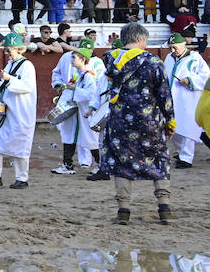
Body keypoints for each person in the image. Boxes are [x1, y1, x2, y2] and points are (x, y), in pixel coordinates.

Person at [101, 24, 176, 225]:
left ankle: (123, 211)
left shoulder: (110, 59)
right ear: (142, 39)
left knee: (120, 161)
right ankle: (164, 208)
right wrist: (171, 120)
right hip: (149, 120)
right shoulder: (153, 62)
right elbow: (164, 95)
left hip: (119, 121)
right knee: (159, 159)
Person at [0, 32, 36, 189]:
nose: (6, 54)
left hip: (21, 112)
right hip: (7, 110)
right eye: (5, 51)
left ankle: (22, 178)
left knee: (21, 145)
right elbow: (4, 86)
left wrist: (9, 78)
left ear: (18, 49)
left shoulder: (27, 66)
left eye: (8, 50)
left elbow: (27, 87)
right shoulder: (9, 65)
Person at [52, 42, 104, 175]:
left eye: (74, 57)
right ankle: (67, 164)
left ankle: (101, 166)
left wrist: (74, 89)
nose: (71, 60)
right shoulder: (79, 75)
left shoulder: (88, 76)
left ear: (83, 59)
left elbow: (91, 94)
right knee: (69, 135)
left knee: (90, 138)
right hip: (78, 111)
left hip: (86, 112)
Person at [163, 33, 210, 169]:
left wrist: (190, 80)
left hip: (189, 98)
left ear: (183, 45)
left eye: (174, 47)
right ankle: (181, 152)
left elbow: (205, 77)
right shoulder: (169, 58)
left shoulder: (195, 58)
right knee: (175, 128)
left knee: (189, 129)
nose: (172, 51)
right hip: (172, 99)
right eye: (170, 48)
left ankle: (186, 158)